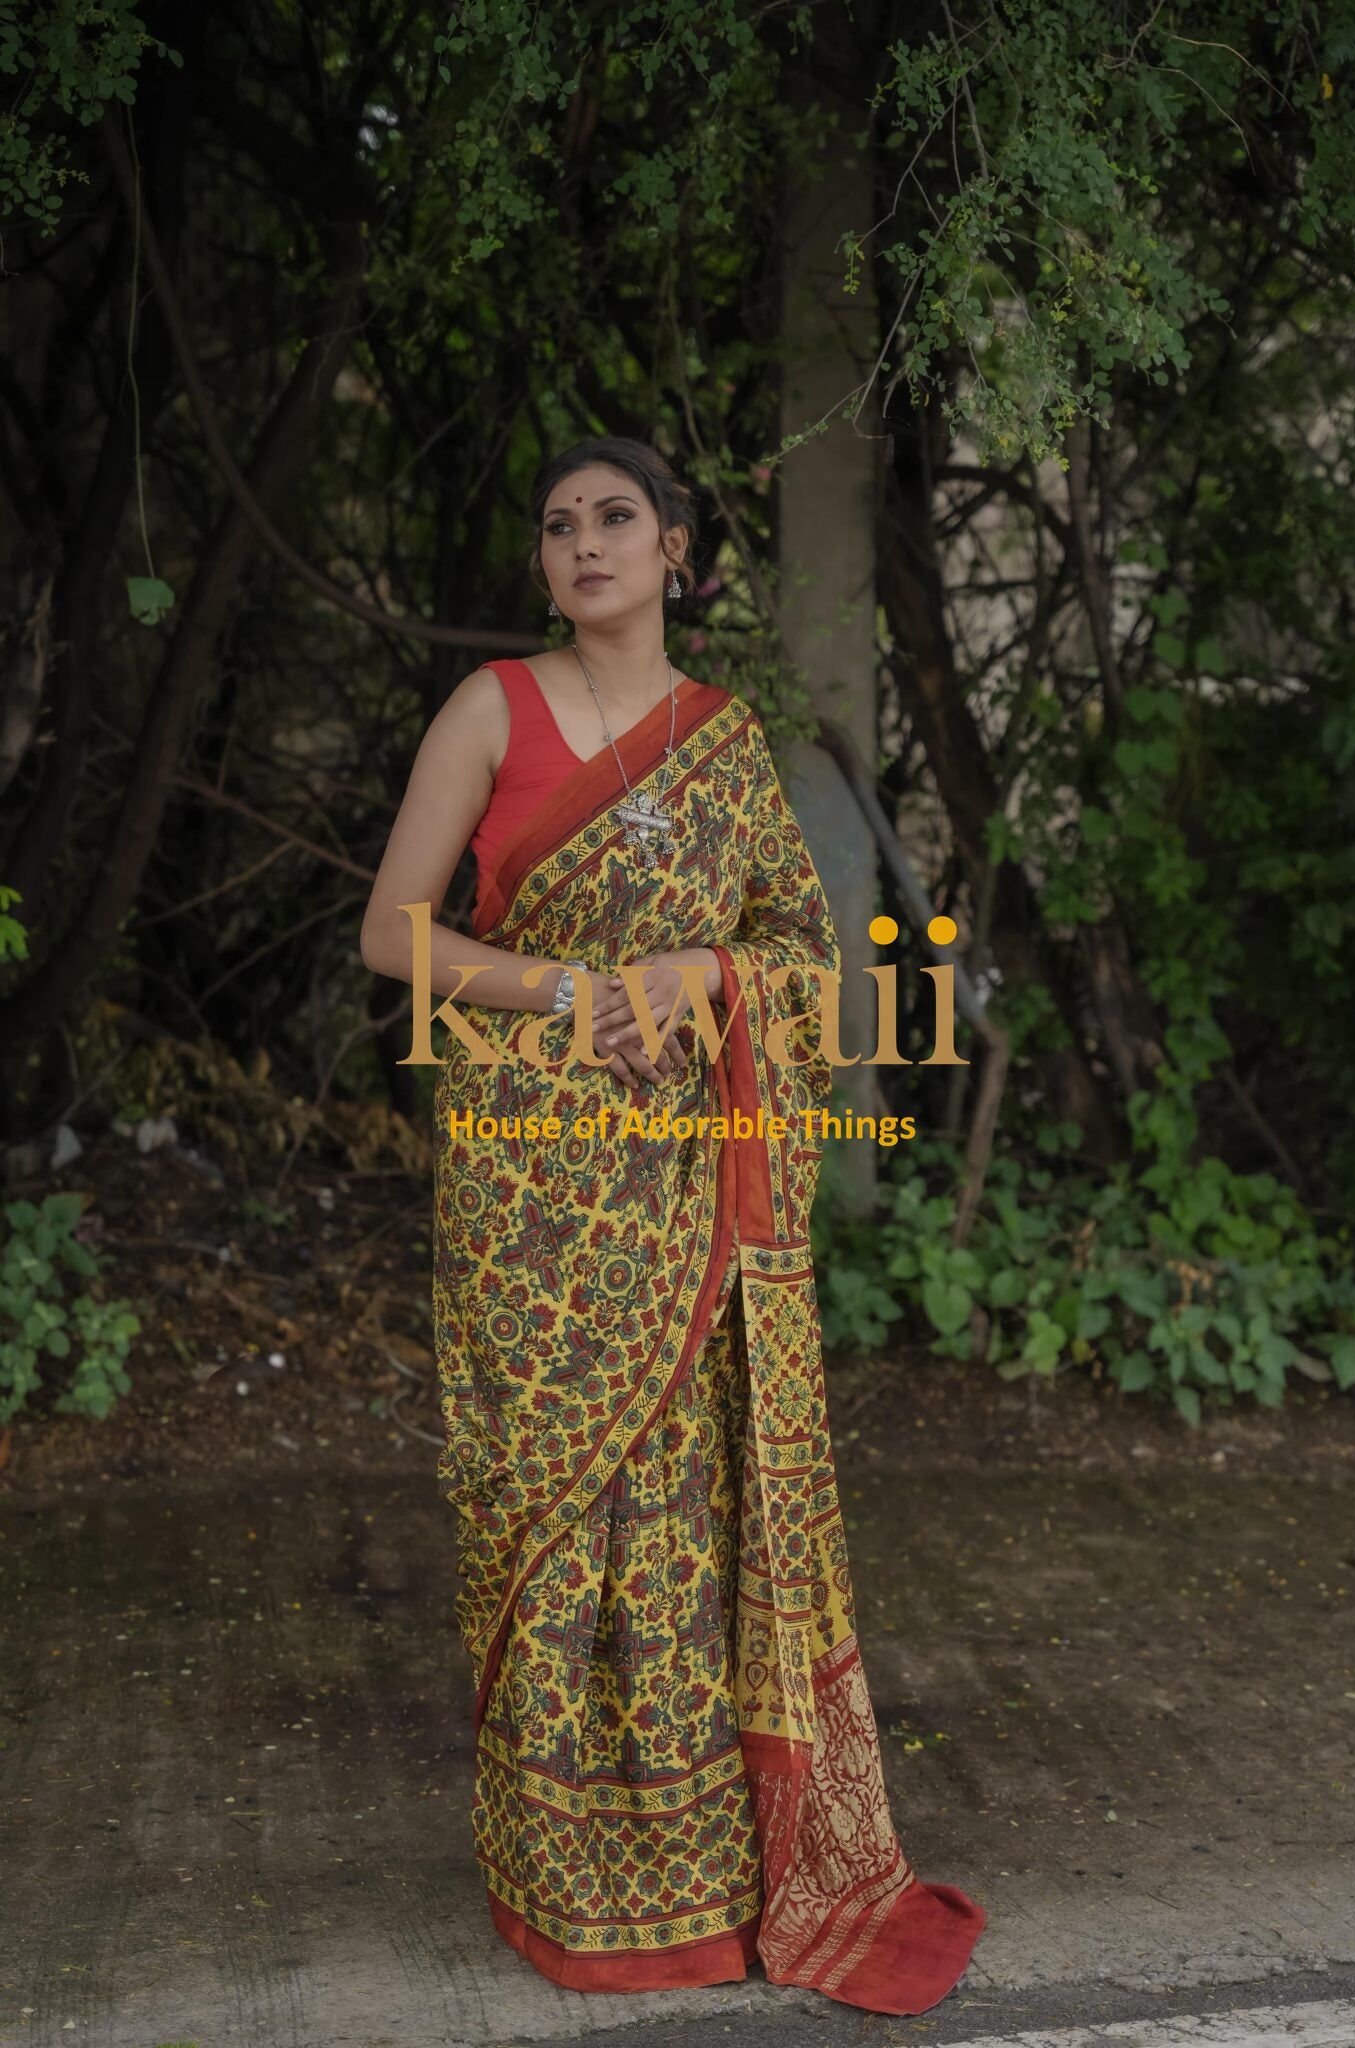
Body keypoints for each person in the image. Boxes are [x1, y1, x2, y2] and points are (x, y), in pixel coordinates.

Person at [359, 434, 987, 2014]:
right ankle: (566, 1887)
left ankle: (704, 1891)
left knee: (683, 1511)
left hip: (690, 1175)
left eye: (614, 519)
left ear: (676, 553)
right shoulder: (486, 710)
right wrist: (577, 990)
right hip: (527, 1182)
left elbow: (792, 943)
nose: (583, 544)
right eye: (557, 523)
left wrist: (703, 979)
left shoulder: (724, 741)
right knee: (548, 1496)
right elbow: (395, 931)